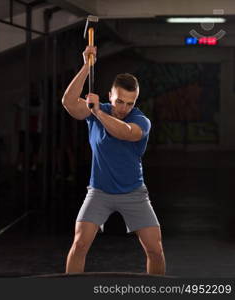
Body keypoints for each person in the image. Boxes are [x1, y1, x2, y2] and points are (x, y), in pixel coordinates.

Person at [62, 46, 165, 275]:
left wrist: (98, 112)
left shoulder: (140, 120)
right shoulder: (97, 110)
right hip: (99, 191)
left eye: (130, 103)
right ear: (110, 96)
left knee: (155, 250)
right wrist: (87, 67)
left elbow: (126, 133)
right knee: (79, 245)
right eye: (120, 101)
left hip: (134, 193)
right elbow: (69, 102)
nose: (124, 108)